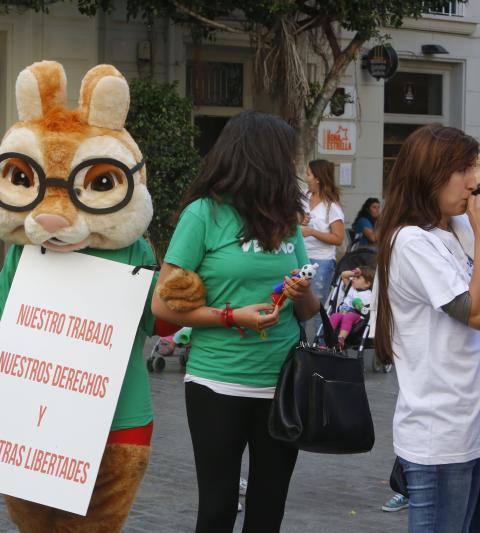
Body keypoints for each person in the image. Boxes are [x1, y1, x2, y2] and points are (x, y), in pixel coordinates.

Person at [151, 110, 319, 533]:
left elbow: (309, 309)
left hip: (281, 385)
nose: (292, 167)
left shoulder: (285, 220)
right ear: (260, 158)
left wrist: (303, 294)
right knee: (218, 508)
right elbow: (162, 306)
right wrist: (231, 316)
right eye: (285, 156)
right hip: (217, 383)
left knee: (268, 509)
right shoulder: (203, 216)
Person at [375, 123, 480, 532]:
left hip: (470, 421)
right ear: (430, 175)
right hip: (440, 433)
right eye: (464, 170)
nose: (474, 182)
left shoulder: (458, 227)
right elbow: (473, 312)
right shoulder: (411, 241)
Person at [301, 159, 345, 332]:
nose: (306, 177)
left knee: (318, 305)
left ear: (317, 178)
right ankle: (299, 347)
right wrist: (300, 220)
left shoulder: (331, 206)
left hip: (321, 261)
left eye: (308, 174)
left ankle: (322, 346)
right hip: (301, 256)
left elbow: (338, 238)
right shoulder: (303, 197)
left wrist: (312, 232)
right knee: (299, 306)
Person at [328, 266, 374, 348]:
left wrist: (360, 306)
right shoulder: (350, 288)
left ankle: (341, 340)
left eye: (358, 278)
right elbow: (344, 275)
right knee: (334, 316)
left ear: (367, 283)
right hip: (343, 313)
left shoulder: (369, 294)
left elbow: (369, 308)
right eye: (354, 277)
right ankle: (328, 337)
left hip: (358, 315)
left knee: (349, 315)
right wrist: (354, 273)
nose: (353, 279)